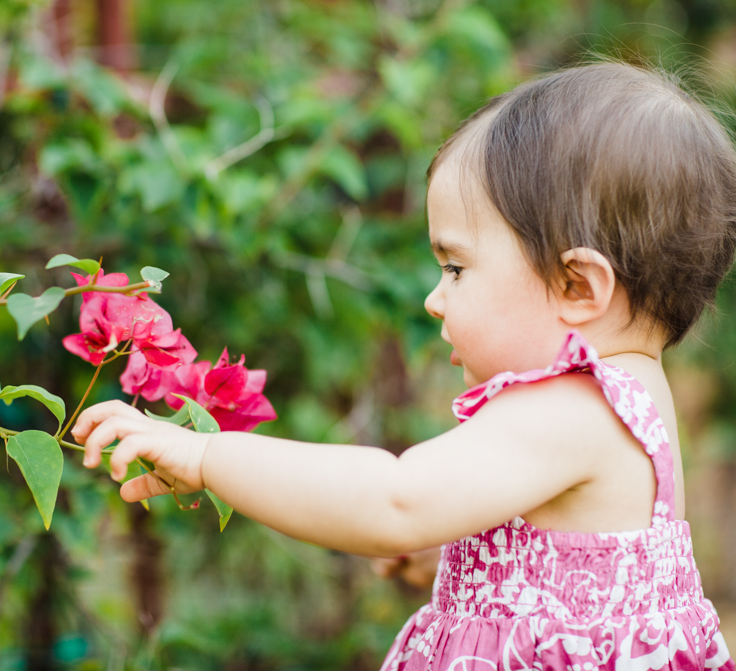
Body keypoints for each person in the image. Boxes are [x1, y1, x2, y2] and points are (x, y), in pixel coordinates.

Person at [73, 62, 736, 670]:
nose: (434, 296)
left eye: (455, 266)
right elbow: (572, 566)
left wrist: (206, 456)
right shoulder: (632, 397)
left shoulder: (574, 407)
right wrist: (468, 557)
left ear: (577, 287)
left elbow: (394, 499)